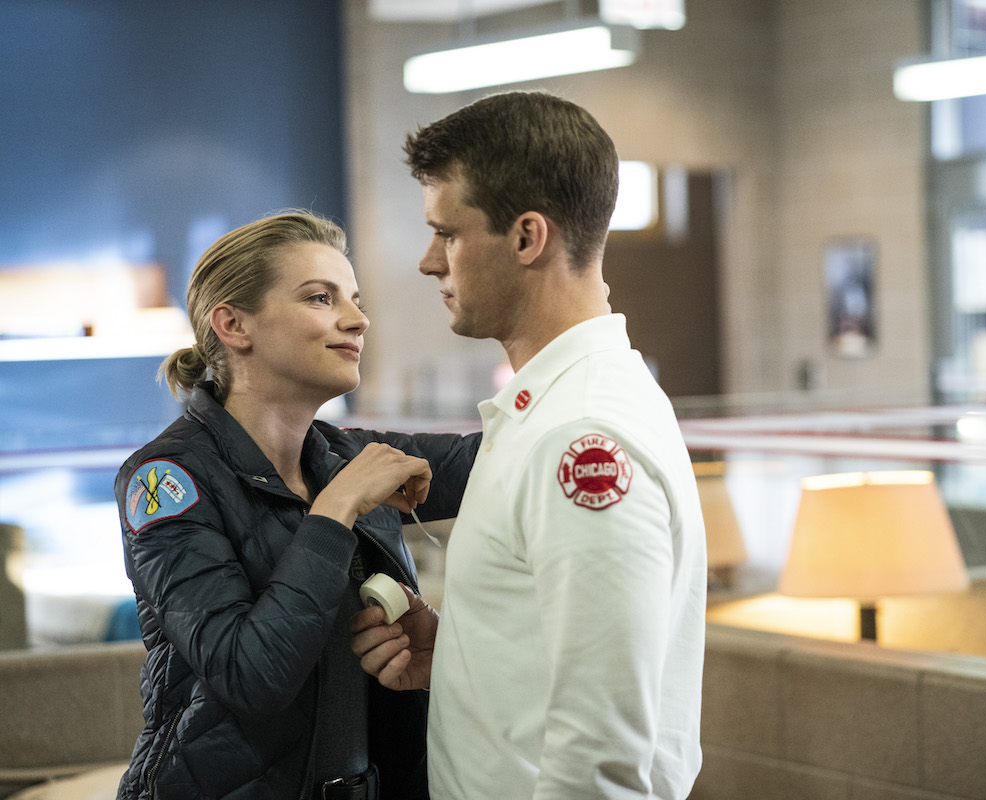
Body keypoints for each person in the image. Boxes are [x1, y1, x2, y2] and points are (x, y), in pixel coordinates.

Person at [356, 91, 707, 798]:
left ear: (526, 238)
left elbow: (601, 759)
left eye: (447, 234)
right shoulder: (551, 410)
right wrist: (462, 653)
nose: (429, 262)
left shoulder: (581, 437)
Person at [113, 210, 478, 800]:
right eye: (320, 298)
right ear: (233, 325)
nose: (358, 319)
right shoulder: (165, 479)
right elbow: (248, 675)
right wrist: (334, 510)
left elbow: (512, 455)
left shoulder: (349, 456)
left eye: (354, 299)